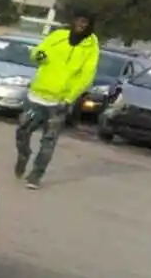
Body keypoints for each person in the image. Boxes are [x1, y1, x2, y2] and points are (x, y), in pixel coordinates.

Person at [17, 13, 100, 188]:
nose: (80, 24)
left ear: (90, 25)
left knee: (48, 141)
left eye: (85, 22)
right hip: (36, 96)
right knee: (22, 132)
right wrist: (39, 55)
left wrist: (69, 97)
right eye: (78, 20)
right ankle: (23, 155)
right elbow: (37, 52)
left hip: (59, 102)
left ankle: (35, 176)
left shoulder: (91, 46)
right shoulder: (59, 35)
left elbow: (86, 77)